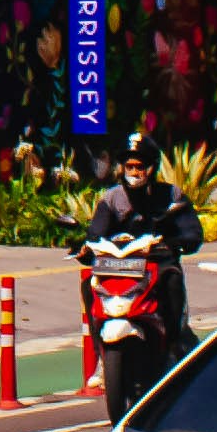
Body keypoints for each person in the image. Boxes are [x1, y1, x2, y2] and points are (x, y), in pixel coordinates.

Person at [79, 134, 204, 356]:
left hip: (157, 264)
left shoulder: (171, 195)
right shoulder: (111, 198)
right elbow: (95, 234)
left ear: (152, 168)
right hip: (120, 268)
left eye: (140, 167)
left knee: (172, 280)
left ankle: (173, 344)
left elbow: (192, 233)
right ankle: (101, 355)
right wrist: (85, 249)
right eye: (130, 167)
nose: (135, 173)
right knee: (88, 284)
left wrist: (175, 243)